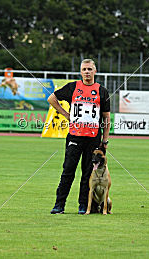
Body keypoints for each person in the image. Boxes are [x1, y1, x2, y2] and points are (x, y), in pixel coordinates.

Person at [48, 59, 111, 214]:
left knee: (87, 173)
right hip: (75, 137)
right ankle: (59, 205)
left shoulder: (102, 91)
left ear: (95, 71)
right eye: (84, 69)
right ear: (80, 71)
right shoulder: (73, 87)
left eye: (90, 69)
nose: (87, 72)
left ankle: (83, 205)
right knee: (68, 171)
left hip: (93, 138)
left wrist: (105, 140)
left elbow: (106, 118)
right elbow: (51, 98)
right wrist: (66, 115)